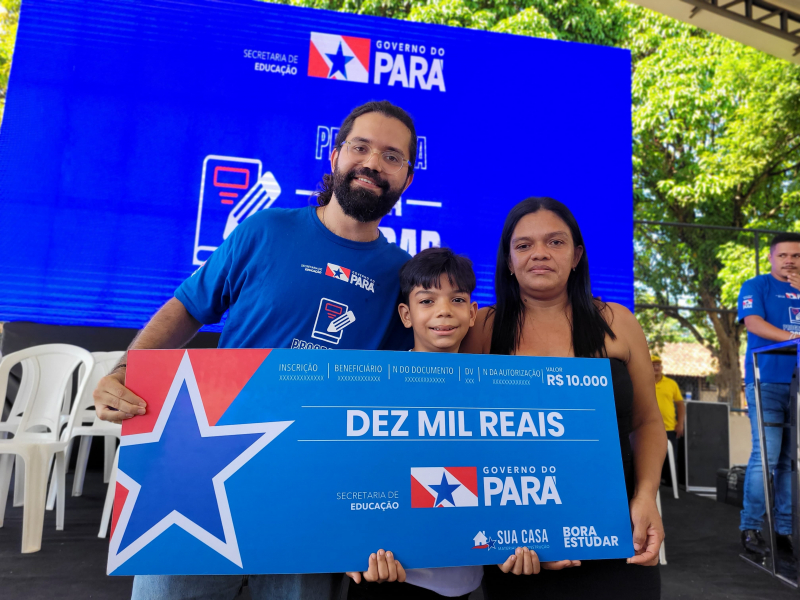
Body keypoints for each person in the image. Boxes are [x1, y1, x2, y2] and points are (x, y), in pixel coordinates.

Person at [93, 100, 418, 600]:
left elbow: (401, 389)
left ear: (407, 179)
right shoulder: (265, 231)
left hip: (312, 496)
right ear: (335, 155)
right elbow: (188, 307)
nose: (373, 163)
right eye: (361, 147)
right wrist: (124, 370)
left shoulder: (403, 276)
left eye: (392, 156)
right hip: (199, 474)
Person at [461, 197, 664, 600]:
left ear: (577, 256)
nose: (539, 253)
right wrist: (502, 532)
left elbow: (647, 423)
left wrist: (646, 497)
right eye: (524, 245)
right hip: (520, 546)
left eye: (555, 242)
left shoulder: (619, 322)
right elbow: (459, 435)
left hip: (617, 530)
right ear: (508, 261)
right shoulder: (481, 327)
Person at [345, 246, 484, 599]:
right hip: (387, 572)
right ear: (406, 315)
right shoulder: (375, 387)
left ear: (472, 313)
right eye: (427, 301)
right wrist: (349, 546)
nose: (443, 310)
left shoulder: (492, 392)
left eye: (457, 300)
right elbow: (350, 476)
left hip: (464, 577)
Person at [737, 232, 800, 557]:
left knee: (790, 461)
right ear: (772, 257)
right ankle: (750, 527)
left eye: (796, 256)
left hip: (797, 385)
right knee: (767, 457)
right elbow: (754, 324)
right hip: (766, 381)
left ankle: (784, 531)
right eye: (783, 255)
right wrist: (793, 337)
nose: (790, 261)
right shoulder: (757, 285)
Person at [651, 354, 683, 486]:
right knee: (651, 458)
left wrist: (680, 423)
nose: (656, 367)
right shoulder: (643, 382)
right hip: (649, 428)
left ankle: (672, 486)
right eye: (653, 365)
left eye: (658, 365)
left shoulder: (671, 384)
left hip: (669, 428)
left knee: (671, 458)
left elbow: (680, 404)